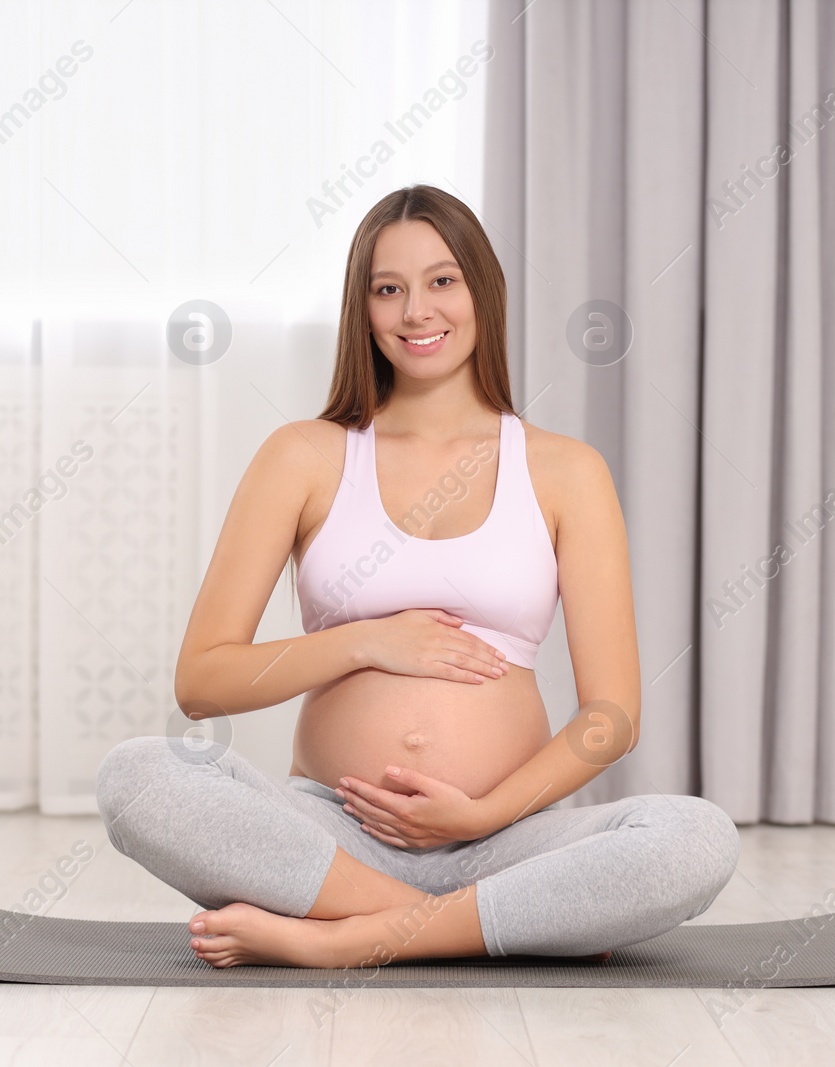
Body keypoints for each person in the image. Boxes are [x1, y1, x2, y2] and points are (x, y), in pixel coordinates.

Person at [95, 184, 739, 969]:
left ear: (482, 292)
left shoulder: (566, 470)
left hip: (504, 840)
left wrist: (479, 815)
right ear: (362, 311)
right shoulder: (304, 455)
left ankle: (345, 939)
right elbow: (202, 681)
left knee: (695, 836)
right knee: (138, 773)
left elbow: (613, 716)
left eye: (441, 282)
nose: (415, 311)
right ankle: (469, 927)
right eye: (387, 289)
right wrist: (370, 641)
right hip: (329, 835)